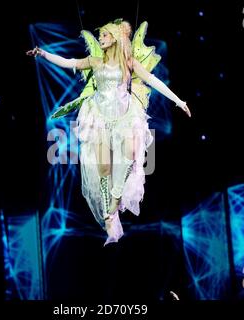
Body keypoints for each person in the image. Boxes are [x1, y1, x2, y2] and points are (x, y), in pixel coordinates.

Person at [27, 19, 191, 246]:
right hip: (100, 117)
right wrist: (43, 54)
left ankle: (115, 199)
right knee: (103, 167)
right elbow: (68, 61)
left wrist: (178, 100)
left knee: (132, 153)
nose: (101, 39)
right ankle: (108, 211)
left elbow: (152, 79)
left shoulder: (128, 62)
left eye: (104, 35)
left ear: (113, 38)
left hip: (125, 116)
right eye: (100, 36)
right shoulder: (95, 61)